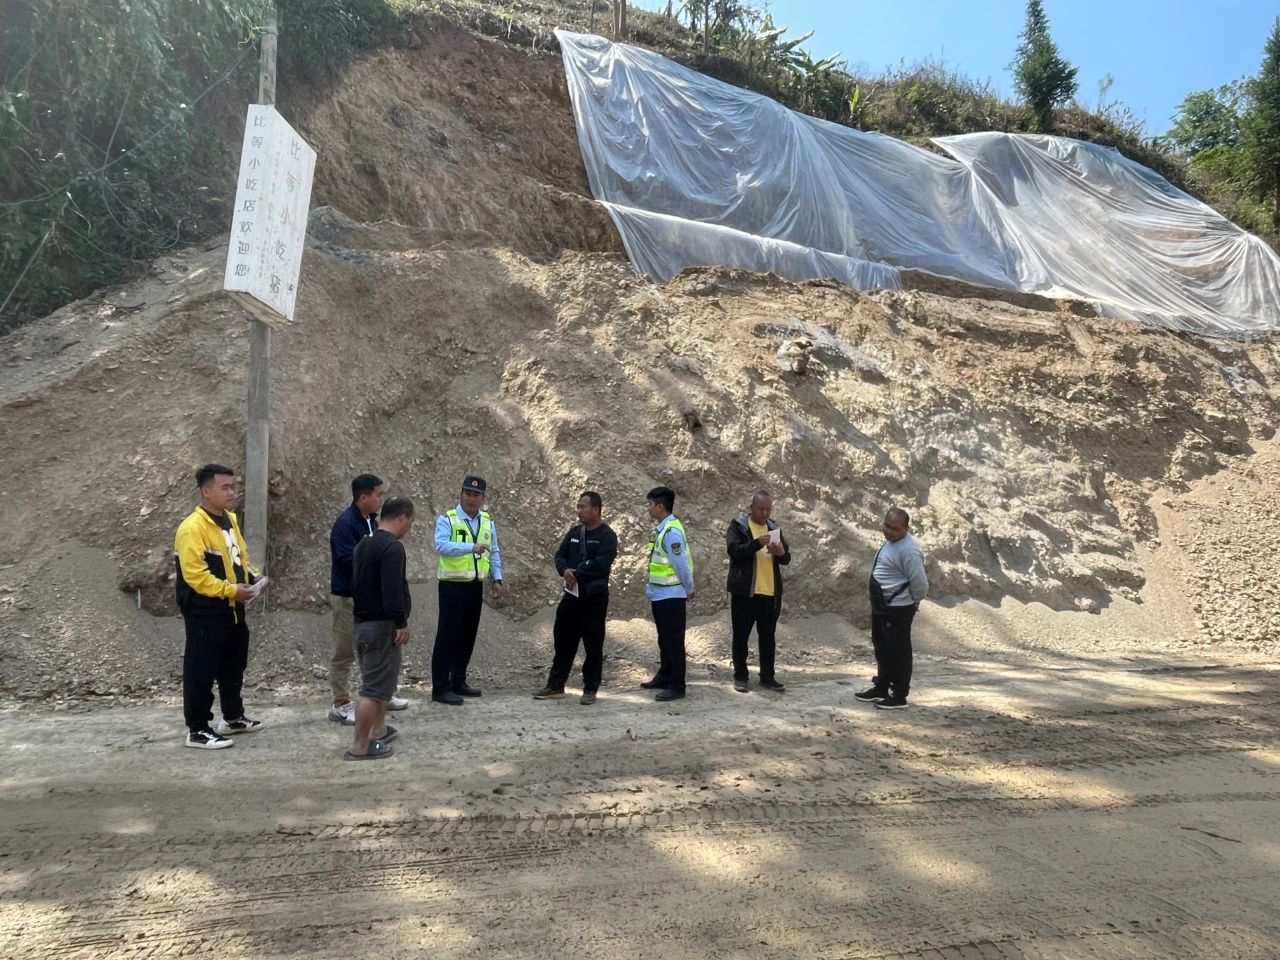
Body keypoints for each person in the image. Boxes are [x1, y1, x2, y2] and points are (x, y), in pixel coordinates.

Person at [174, 463, 268, 750]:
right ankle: (197, 729)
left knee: (233, 665)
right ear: (206, 491)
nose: (231, 492)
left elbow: (238, 558)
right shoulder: (192, 528)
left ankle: (233, 716)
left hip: (233, 608)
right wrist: (231, 590)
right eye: (225, 487)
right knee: (200, 670)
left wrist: (252, 578)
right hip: (205, 610)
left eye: (232, 487)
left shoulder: (229, 520)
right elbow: (196, 576)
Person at [327, 474, 411, 725]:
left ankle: (379, 695)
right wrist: (375, 559)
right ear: (363, 497)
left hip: (370, 600)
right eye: (378, 494)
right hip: (347, 598)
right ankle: (340, 703)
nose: (381, 499)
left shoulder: (373, 523)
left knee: (377, 650)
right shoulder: (345, 524)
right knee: (344, 650)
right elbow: (347, 559)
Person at [346, 496, 416, 760]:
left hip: (363, 624)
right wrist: (401, 622)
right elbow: (392, 591)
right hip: (381, 627)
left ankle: (379, 730)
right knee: (373, 690)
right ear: (402, 517)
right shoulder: (393, 548)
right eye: (410, 521)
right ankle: (360, 746)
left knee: (378, 684)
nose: (409, 527)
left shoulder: (364, 544)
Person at [534, 491, 618, 705]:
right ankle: (555, 685)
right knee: (563, 641)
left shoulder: (607, 536)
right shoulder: (574, 532)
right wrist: (565, 571)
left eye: (583, 507)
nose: (579, 510)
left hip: (594, 600)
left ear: (596, 509)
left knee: (593, 646)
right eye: (578, 506)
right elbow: (560, 555)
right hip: (571, 598)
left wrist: (576, 574)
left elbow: (601, 564)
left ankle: (590, 689)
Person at [431, 475, 503, 705]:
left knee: (467, 635)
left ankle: (458, 681)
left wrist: (497, 578)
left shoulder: (487, 522)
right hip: (452, 586)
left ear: (483, 498)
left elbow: (494, 551)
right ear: (461, 494)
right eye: (468, 493)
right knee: (447, 636)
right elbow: (441, 545)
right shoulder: (448, 519)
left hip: (474, 586)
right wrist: (470, 547)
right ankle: (440, 687)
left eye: (476, 494)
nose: (471, 498)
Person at [855, 508, 928, 710]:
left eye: (895, 528)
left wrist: (912, 602)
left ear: (906, 528)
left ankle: (899, 695)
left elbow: (920, 583)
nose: (888, 531)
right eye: (886, 525)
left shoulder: (909, 550)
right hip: (883, 606)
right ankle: (882, 687)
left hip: (897, 608)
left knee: (898, 651)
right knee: (882, 648)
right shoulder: (892, 542)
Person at [725, 490, 791, 693]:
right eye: (761, 509)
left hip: (771, 594)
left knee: (768, 638)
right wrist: (756, 543)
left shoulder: (774, 527)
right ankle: (741, 677)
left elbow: (786, 559)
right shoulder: (739, 526)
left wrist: (781, 552)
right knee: (741, 637)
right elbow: (734, 551)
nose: (765, 513)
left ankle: (768, 677)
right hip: (745, 593)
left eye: (768, 509)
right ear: (751, 507)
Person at [639, 486, 694, 702]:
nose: (648, 508)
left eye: (650, 504)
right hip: (661, 595)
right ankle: (665, 675)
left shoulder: (671, 532)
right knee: (665, 640)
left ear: (660, 507)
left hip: (672, 596)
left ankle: (677, 685)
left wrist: (689, 588)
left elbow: (681, 565)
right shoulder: (664, 529)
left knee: (673, 641)